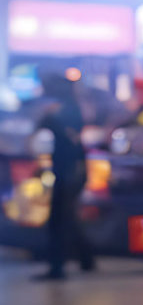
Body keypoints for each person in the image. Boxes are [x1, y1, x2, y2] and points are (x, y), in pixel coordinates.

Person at [34, 72, 94, 280]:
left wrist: (48, 118)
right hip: (68, 169)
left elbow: (65, 137)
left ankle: (57, 268)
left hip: (70, 170)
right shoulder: (65, 108)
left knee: (59, 220)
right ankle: (86, 258)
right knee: (66, 218)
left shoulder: (64, 110)